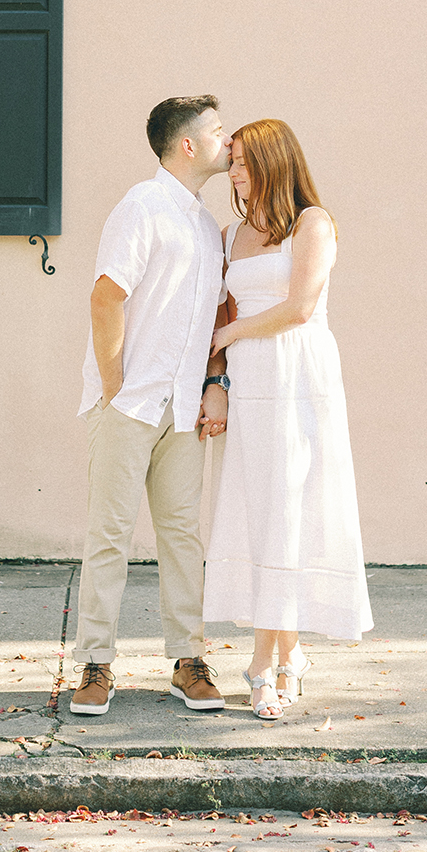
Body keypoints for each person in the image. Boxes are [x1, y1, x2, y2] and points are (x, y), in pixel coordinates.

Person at [203, 119, 372, 721]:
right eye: (233, 161)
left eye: (245, 161)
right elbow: (218, 320)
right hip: (248, 386)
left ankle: (264, 662)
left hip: (300, 380)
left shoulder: (312, 224)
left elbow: (300, 307)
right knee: (263, 513)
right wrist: (216, 381)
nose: (235, 171)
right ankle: (288, 653)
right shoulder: (228, 237)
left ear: (276, 162)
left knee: (292, 510)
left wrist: (230, 331)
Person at [70, 95, 233, 717]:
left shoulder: (201, 223)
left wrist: (211, 385)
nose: (227, 138)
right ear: (186, 145)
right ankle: (96, 663)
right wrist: (115, 386)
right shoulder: (141, 206)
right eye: (217, 130)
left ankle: (187, 659)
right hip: (130, 404)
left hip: (183, 409)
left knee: (182, 536)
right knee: (109, 535)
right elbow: (106, 296)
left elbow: (213, 315)